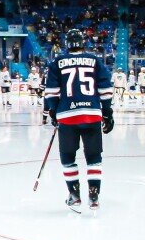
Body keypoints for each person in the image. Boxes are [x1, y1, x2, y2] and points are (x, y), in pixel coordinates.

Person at [44, 29, 113, 212]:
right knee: (94, 157)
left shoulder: (57, 62)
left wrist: (53, 111)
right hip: (91, 114)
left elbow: (51, 92)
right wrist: (107, 112)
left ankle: (74, 196)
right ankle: (94, 196)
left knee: (67, 157)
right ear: (83, 42)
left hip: (67, 116)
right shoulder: (94, 60)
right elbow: (105, 89)